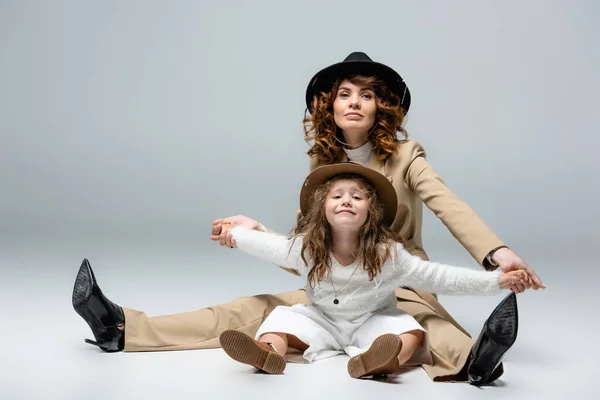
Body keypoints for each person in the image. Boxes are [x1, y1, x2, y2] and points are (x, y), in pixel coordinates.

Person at [71, 52, 545, 385]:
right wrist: (253, 232)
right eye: (344, 94)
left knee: (424, 324)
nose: (355, 101)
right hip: (330, 278)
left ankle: (477, 362)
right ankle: (121, 329)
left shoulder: (405, 154)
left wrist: (497, 256)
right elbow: (301, 248)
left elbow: (447, 202)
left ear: (381, 106)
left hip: (396, 275)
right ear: (330, 107)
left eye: (366, 94)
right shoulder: (323, 166)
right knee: (248, 309)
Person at [217, 162, 532, 379]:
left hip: (372, 322)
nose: (347, 201)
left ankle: (382, 361)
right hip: (322, 320)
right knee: (282, 318)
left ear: (371, 212)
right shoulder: (307, 248)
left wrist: (497, 280)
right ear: (321, 210)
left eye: (357, 197)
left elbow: (440, 277)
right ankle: (268, 352)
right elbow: (269, 247)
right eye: (337, 196)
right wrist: (236, 234)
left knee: (409, 329)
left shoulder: (389, 256)